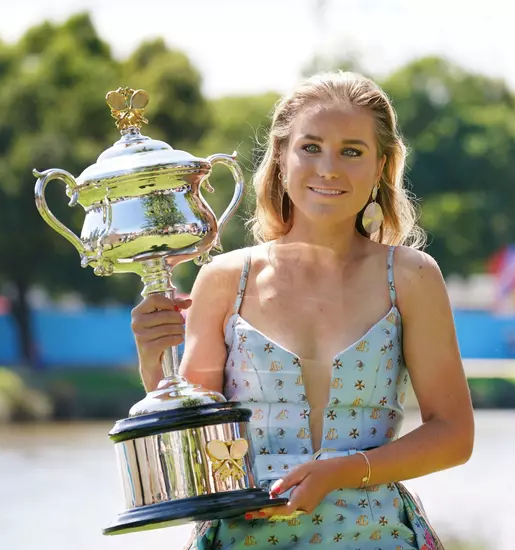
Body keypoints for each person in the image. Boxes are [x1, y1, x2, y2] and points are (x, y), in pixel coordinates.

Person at [131, 70, 475, 550]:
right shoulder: (225, 280)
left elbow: (454, 434)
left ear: (381, 166)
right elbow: (194, 448)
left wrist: (342, 472)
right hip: (242, 540)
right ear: (280, 158)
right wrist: (154, 366)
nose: (328, 168)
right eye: (310, 147)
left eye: (351, 151)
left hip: (376, 538)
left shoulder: (412, 278)